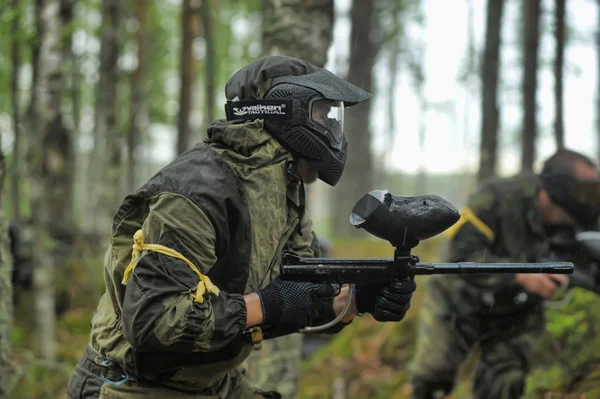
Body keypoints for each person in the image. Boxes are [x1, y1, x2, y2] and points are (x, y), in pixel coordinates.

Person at [67, 55, 417, 399]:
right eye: (322, 114)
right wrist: (265, 305)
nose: (332, 128)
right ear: (286, 110)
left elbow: (294, 298)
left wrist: (356, 298)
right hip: (129, 384)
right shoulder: (196, 192)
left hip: (209, 382)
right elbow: (152, 322)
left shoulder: (283, 192)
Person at [408, 148, 600, 399]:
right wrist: (519, 275)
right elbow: (461, 256)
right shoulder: (498, 198)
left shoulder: (584, 222)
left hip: (515, 313)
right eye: (585, 191)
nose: (592, 199)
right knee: (433, 375)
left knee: (505, 383)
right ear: (560, 186)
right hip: (459, 299)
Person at [242, 237, 333, 399]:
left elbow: (314, 307)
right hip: (240, 375)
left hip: (283, 376)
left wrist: (353, 302)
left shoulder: (299, 234)